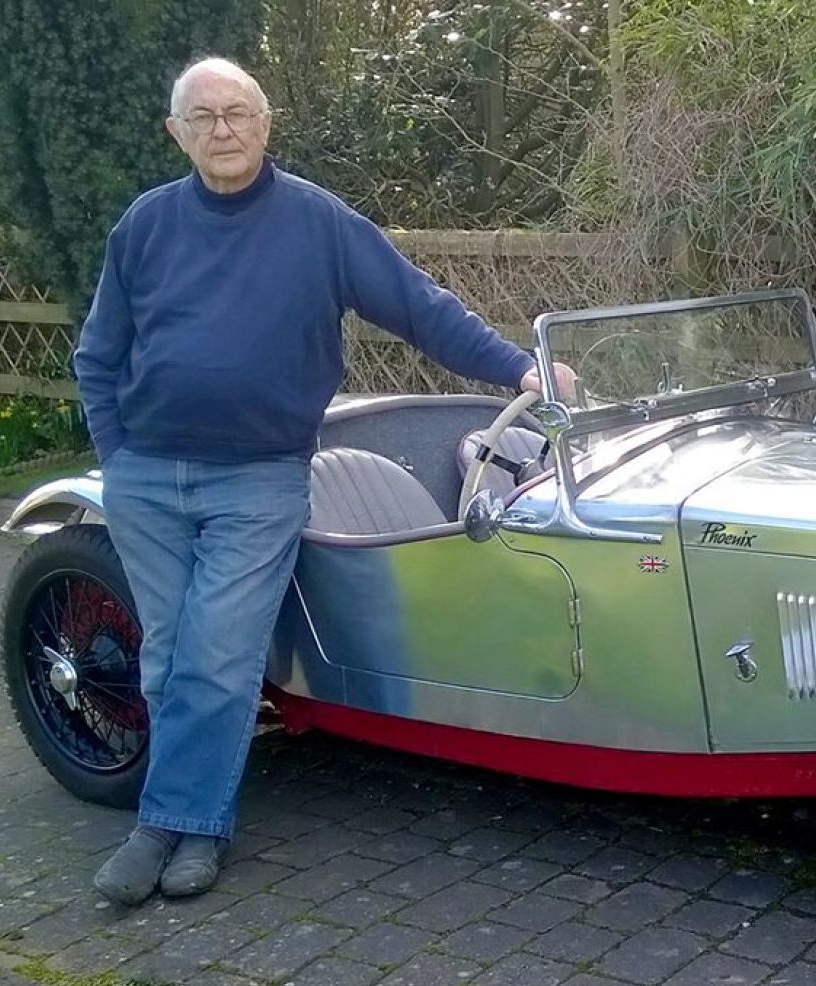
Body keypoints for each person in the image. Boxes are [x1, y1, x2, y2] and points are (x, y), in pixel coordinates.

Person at [72, 56, 575, 904]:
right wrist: (118, 459)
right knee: (165, 660)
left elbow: (419, 305)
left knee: (222, 660)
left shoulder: (318, 223)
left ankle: (173, 829)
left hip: (257, 479)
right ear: (175, 133)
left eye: (237, 113)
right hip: (148, 480)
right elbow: (98, 354)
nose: (222, 130)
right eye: (202, 118)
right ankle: (191, 823)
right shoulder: (145, 226)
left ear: (265, 123)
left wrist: (521, 369)